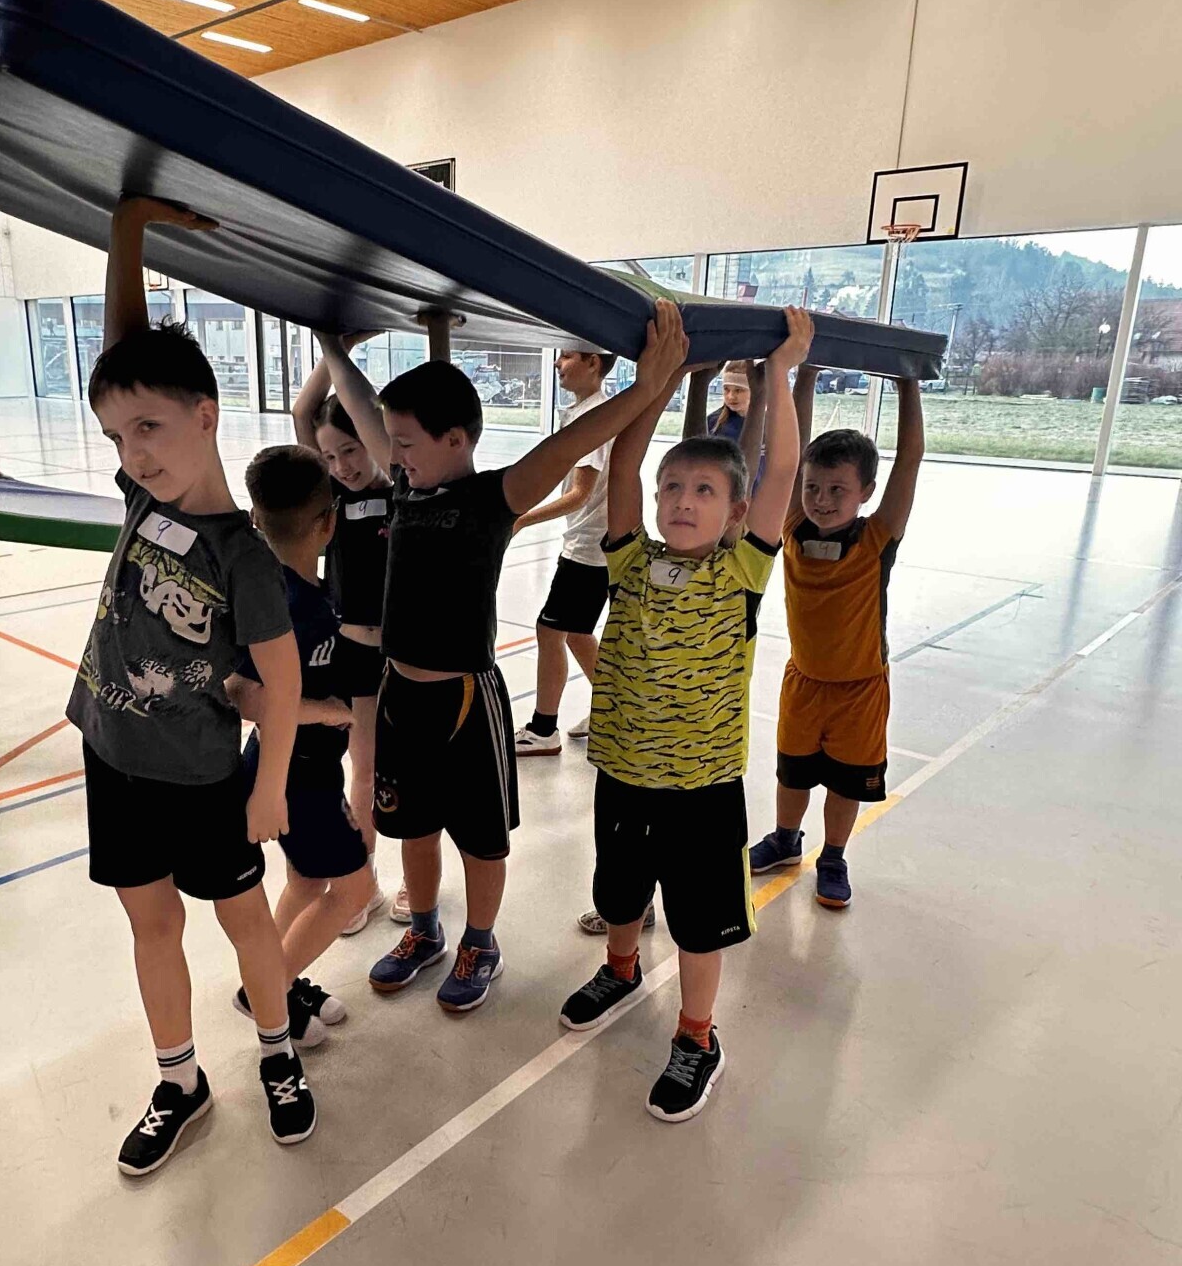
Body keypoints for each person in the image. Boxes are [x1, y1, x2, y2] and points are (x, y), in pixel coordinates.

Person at [316, 303, 688, 1016]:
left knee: (482, 840)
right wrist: (332, 344)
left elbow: (572, 441)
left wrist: (649, 386)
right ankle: (425, 929)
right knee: (413, 828)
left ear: (456, 439)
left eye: (405, 442)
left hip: (464, 700)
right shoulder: (406, 484)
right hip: (399, 695)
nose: (393, 454)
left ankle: (479, 943)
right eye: (393, 442)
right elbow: (360, 403)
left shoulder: (495, 497)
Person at [66, 195, 311, 1173]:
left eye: (152, 430)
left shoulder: (243, 555)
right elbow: (127, 360)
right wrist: (126, 234)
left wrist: (269, 784)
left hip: (206, 776)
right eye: (119, 437)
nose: (135, 452)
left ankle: (279, 1055)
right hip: (114, 755)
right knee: (151, 921)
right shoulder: (142, 490)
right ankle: (180, 1082)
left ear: (207, 417)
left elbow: (281, 681)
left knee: (243, 919)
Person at [558, 311, 813, 1123]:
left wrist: (781, 373)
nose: (682, 500)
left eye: (704, 491)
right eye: (673, 488)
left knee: (699, 925)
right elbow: (625, 465)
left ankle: (697, 1036)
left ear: (735, 512)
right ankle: (621, 968)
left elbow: (781, 470)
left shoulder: (742, 570)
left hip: (702, 789)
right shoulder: (631, 560)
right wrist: (656, 379)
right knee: (619, 892)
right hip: (624, 774)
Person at [748, 370, 926, 908]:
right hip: (803, 682)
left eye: (837, 490)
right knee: (792, 773)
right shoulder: (792, 525)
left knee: (847, 783)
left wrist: (908, 387)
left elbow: (910, 460)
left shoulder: (877, 538)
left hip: (860, 689)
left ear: (865, 493)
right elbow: (791, 446)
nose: (821, 500)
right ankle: (785, 839)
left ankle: (833, 856)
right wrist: (804, 376)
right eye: (813, 488)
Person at [229, 444, 374, 1040]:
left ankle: (267, 984)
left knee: (308, 882)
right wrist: (324, 710)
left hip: (300, 766)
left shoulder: (303, 587)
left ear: (256, 518)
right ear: (328, 522)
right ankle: (270, 992)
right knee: (356, 889)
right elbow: (242, 694)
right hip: (294, 773)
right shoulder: (283, 602)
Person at [291, 349, 392, 934]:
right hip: (349, 656)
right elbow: (303, 412)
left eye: (351, 450)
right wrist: (335, 347)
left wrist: (339, 354)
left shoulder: (402, 489)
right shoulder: (332, 496)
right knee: (363, 766)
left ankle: (404, 878)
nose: (342, 465)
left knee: (397, 770)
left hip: (397, 655)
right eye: (330, 456)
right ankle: (364, 880)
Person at [512, 345, 618, 757]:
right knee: (576, 633)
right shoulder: (585, 412)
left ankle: (543, 729)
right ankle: (613, 711)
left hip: (590, 547)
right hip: (588, 541)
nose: (558, 363)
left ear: (594, 362)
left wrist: (522, 519)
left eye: (568, 356)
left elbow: (579, 493)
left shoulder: (595, 416)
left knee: (550, 629)